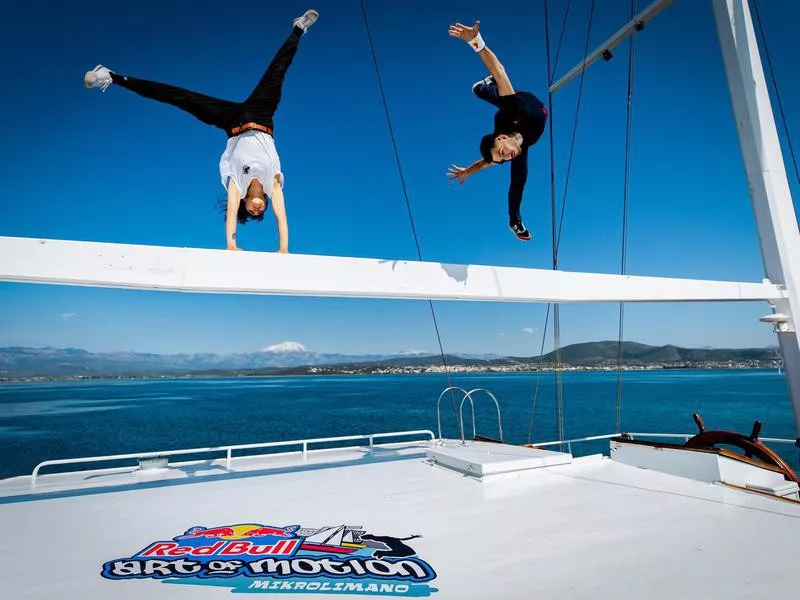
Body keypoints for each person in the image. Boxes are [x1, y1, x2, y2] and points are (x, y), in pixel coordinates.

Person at [83, 9, 319, 253]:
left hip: (233, 123)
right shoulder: (274, 185)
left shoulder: (236, 185)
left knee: (179, 97)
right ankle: (298, 29)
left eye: (249, 211)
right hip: (261, 116)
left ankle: (110, 76)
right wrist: (283, 250)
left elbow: (230, 217)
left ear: (244, 203)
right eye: (259, 212)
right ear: (266, 203)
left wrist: (231, 245)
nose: (256, 210)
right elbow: (283, 219)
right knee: (277, 72)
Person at [447, 20, 548, 242]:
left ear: (502, 138)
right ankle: (515, 221)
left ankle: (483, 85)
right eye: (502, 159)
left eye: (502, 153)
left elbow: (499, 70)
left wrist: (476, 41)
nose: (506, 157)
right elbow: (486, 162)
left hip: (517, 103)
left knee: (482, 90)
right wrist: (467, 172)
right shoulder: (513, 149)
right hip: (518, 120)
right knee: (518, 181)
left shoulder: (513, 111)